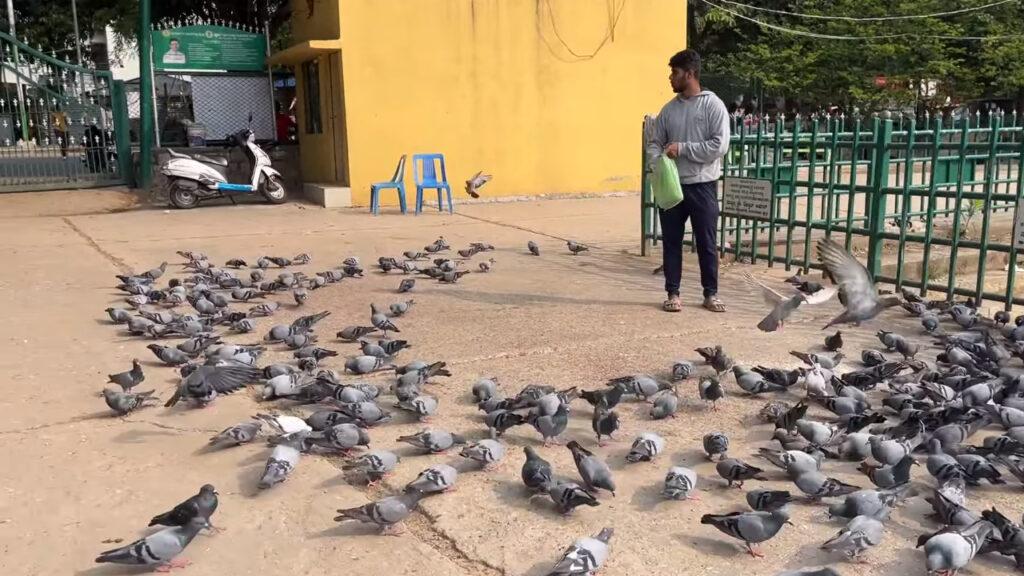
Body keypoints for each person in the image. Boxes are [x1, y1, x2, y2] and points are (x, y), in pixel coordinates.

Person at [646, 49, 730, 313]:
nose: (671, 78)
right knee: (671, 240)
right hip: (673, 185)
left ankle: (711, 294)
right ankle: (673, 292)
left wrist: (683, 149)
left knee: (706, 241)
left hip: (703, 184)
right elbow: (654, 143)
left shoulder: (713, 105)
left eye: (675, 73)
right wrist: (658, 161)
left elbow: (719, 145)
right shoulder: (668, 110)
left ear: (690, 74)